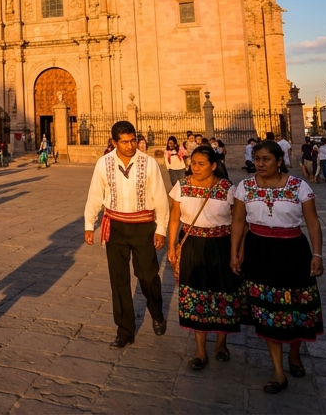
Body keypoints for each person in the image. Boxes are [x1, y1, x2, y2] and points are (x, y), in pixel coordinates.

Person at [230, 140, 324, 394]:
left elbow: (312, 222)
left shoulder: (298, 186)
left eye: (266, 159)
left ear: (279, 160)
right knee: (268, 310)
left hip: (293, 250)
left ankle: (294, 353)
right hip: (259, 250)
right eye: (257, 159)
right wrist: (235, 253)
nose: (260, 164)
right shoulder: (245, 186)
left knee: (295, 308)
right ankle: (278, 372)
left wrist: (317, 254)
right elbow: (238, 221)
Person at [83, 120, 169, 348]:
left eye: (133, 140)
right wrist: (89, 225)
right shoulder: (103, 164)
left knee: (148, 275)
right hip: (116, 227)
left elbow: (160, 198)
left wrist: (161, 229)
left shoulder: (149, 163)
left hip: (143, 226)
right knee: (118, 279)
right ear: (114, 142)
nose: (130, 145)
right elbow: (95, 194)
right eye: (124, 142)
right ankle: (124, 329)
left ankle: (157, 312)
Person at [167, 145, 239, 370]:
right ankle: (200, 350)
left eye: (201, 164)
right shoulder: (181, 186)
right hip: (192, 245)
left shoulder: (227, 189)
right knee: (195, 294)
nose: (195, 168)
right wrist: (171, 246)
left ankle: (221, 344)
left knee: (222, 293)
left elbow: (238, 223)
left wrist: (237, 251)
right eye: (193, 163)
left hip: (221, 245)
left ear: (214, 165)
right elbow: (174, 218)